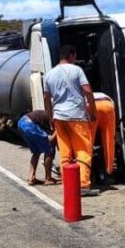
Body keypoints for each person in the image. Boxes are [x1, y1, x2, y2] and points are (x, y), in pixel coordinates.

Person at [43, 44, 99, 197]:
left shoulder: (49, 74)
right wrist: (92, 110)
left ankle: (69, 185)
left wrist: (50, 118)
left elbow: (47, 98)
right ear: (71, 55)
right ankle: (82, 185)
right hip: (76, 116)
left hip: (59, 117)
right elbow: (87, 90)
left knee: (65, 153)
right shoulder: (76, 70)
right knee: (83, 150)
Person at [17, 109, 57, 186]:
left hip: (21, 122)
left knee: (36, 151)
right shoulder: (58, 118)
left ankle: (31, 177)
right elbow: (53, 137)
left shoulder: (50, 114)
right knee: (50, 147)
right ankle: (48, 178)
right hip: (30, 124)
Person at [91, 92, 116, 177]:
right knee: (109, 139)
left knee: (88, 140)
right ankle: (109, 170)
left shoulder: (82, 95)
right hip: (108, 105)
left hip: (92, 105)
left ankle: (87, 169)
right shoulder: (104, 94)